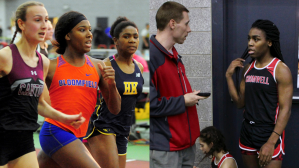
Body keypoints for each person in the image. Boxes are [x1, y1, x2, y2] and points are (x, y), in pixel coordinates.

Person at [0, 2, 85, 167]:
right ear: (21, 24)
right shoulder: (5, 57)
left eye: (46, 20)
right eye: (37, 20)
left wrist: (64, 118)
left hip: (24, 142)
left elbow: (38, 103)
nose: (45, 25)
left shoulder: (43, 63)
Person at [37, 11, 121, 168]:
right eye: (82, 30)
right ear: (68, 36)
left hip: (78, 135)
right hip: (55, 131)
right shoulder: (51, 66)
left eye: (90, 29)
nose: (89, 34)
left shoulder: (99, 66)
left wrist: (112, 85)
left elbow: (115, 109)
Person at [226, 19, 292, 168]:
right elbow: (239, 102)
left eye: (256, 39)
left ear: (269, 42)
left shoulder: (280, 69)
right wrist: (229, 76)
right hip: (247, 132)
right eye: (249, 38)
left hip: (269, 132)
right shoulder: (248, 68)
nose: (250, 43)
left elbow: (286, 110)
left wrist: (271, 141)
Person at [150, 2, 208, 168]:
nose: (189, 29)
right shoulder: (151, 57)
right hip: (165, 149)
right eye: (187, 23)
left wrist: (189, 96)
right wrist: (183, 100)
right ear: (172, 23)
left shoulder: (174, 55)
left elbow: (171, 94)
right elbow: (150, 105)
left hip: (185, 146)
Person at [84, 16, 144, 168]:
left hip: (124, 128)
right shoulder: (105, 65)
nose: (132, 40)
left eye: (135, 37)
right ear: (116, 41)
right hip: (103, 124)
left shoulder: (139, 67)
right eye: (127, 36)